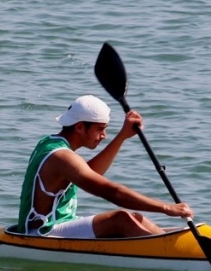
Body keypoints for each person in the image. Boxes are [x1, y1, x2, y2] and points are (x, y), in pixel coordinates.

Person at [16, 95, 193, 238]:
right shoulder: (62, 157)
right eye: (100, 129)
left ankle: (170, 246)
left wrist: (122, 136)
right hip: (43, 232)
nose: (104, 135)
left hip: (61, 224)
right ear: (79, 127)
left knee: (137, 218)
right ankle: (172, 255)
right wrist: (166, 208)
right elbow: (112, 193)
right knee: (121, 219)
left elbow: (89, 174)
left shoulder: (49, 143)